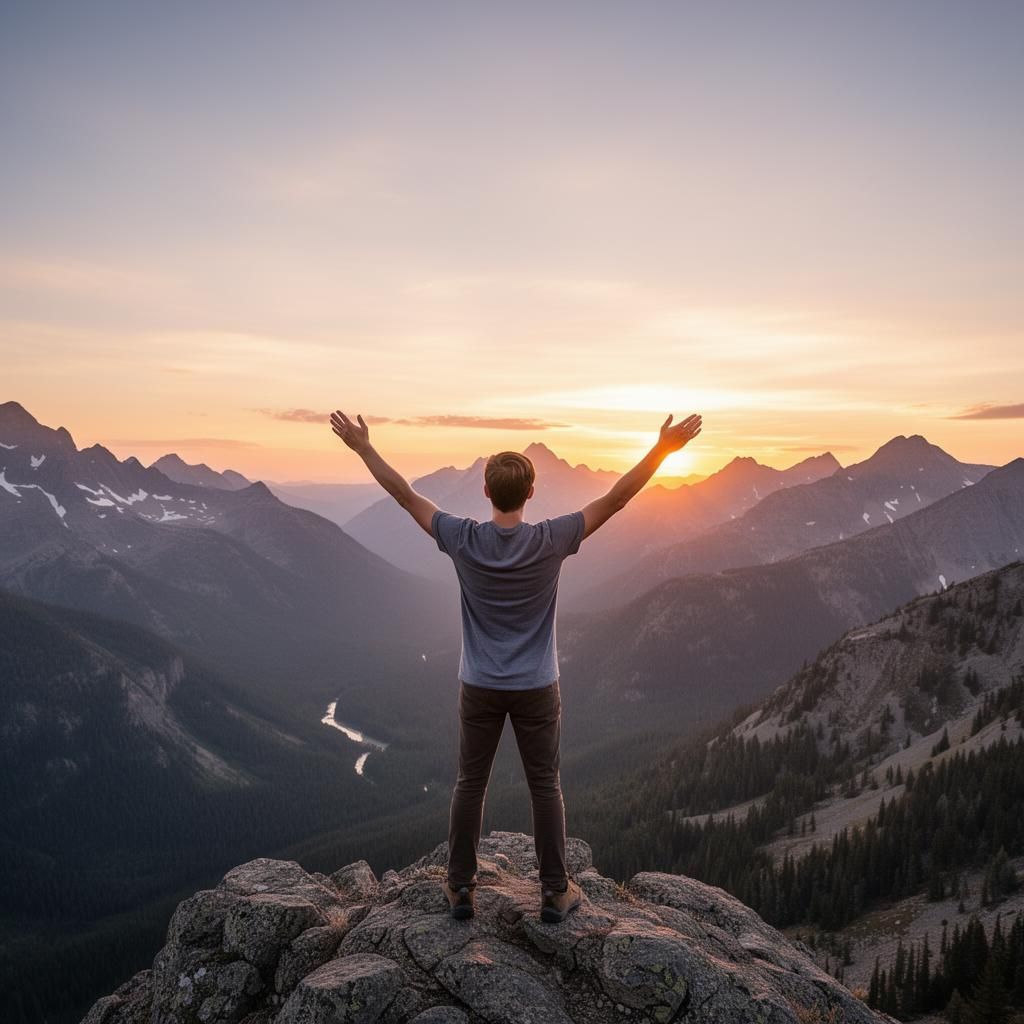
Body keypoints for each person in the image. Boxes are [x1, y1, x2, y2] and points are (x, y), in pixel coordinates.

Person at [330, 410, 702, 922]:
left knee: (469, 783)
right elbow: (615, 499)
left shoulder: (462, 538)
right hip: (536, 686)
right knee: (545, 784)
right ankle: (554, 891)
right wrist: (663, 450)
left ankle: (460, 889)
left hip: (479, 684)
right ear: (530, 493)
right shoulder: (551, 539)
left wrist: (364, 449)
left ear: (485, 492)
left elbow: (405, 495)